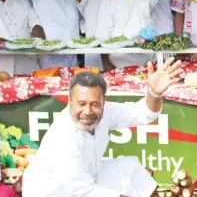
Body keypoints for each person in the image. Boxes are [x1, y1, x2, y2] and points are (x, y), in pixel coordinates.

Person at [22, 60, 183, 196]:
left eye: (94, 104)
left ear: (103, 102)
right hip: (54, 192)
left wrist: (154, 93)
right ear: (70, 101)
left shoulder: (105, 113)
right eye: (81, 104)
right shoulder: (64, 136)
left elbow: (143, 113)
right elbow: (82, 191)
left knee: (129, 167)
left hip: (89, 176)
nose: (87, 111)